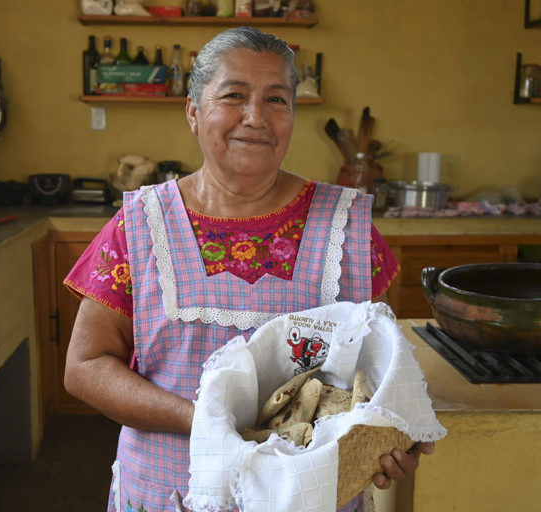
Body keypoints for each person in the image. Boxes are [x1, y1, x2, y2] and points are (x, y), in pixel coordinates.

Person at [63, 26, 434, 512]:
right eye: (234, 96)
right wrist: (204, 420)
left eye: (277, 100)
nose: (255, 117)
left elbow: (382, 372)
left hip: (309, 497)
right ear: (194, 113)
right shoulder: (140, 226)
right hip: (169, 493)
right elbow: (85, 367)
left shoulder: (348, 231)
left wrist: (389, 437)